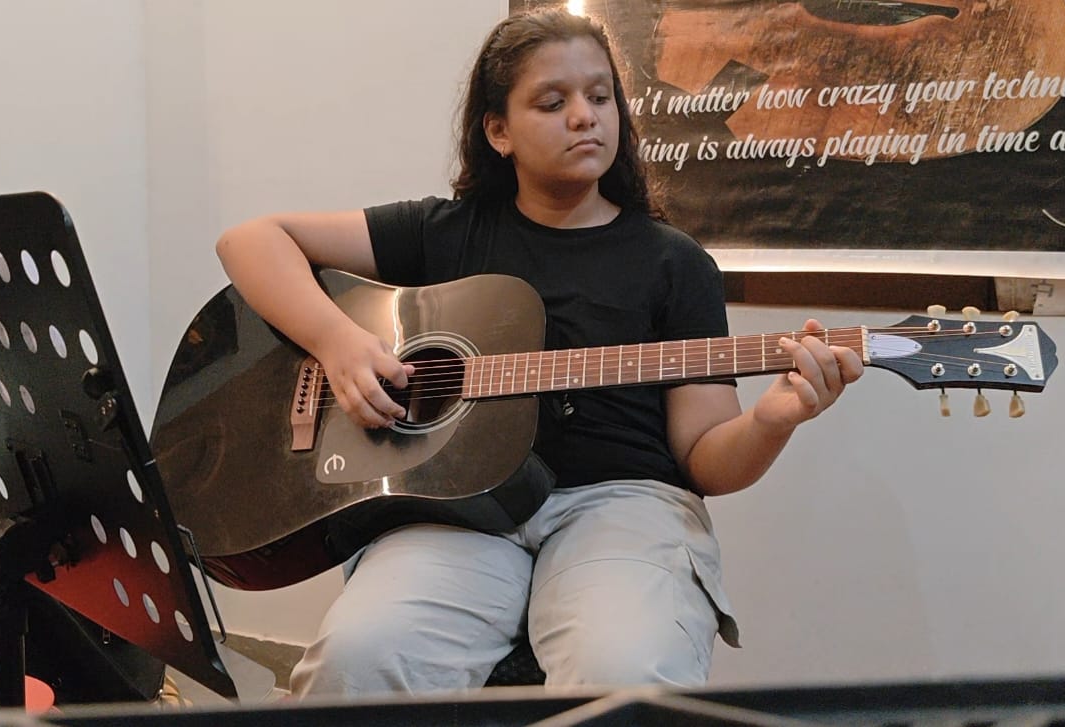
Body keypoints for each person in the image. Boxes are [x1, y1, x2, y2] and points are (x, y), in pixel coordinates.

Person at [214, 8, 863, 697]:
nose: (585, 116)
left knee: (624, 675)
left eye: (600, 96)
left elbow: (705, 456)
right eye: (553, 103)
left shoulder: (675, 264)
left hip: (620, 506)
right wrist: (338, 341)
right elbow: (251, 242)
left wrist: (774, 419)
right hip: (456, 512)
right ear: (498, 131)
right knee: (358, 659)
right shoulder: (446, 233)